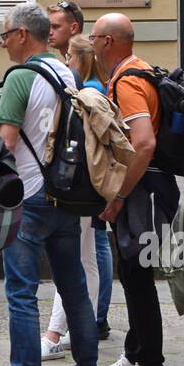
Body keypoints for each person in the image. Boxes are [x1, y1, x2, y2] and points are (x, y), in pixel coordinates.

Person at [0, 4, 100, 366]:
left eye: (5, 35)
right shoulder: (68, 72)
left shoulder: (21, 78)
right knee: (74, 288)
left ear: (22, 36)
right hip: (65, 195)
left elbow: (6, 143)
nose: (3, 42)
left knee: (21, 293)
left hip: (29, 199)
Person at [92, 13, 179, 366]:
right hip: (150, 187)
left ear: (108, 41)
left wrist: (120, 195)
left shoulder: (127, 81)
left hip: (142, 191)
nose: (91, 43)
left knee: (138, 276)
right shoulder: (142, 70)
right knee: (131, 274)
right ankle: (134, 353)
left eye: (94, 36)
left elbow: (143, 143)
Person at [68, 33, 113, 339]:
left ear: (81, 60)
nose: (66, 62)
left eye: (70, 57)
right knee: (89, 256)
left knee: (81, 257)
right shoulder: (97, 86)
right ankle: (92, 320)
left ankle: (72, 327)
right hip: (94, 184)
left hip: (86, 183)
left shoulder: (89, 91)